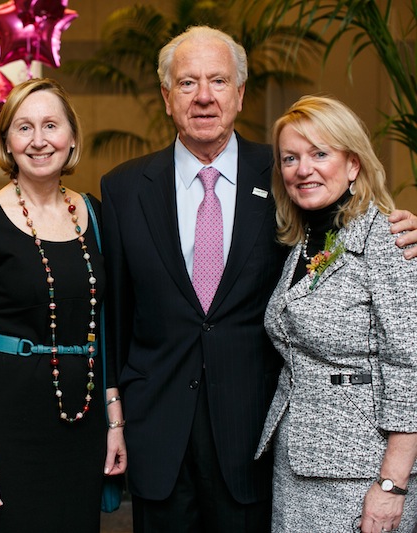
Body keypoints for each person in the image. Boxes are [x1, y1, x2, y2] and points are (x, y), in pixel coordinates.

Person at [101, 25, 417, 533]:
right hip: (157, 430)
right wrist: (115, 416)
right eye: (187, 83)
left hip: (256, 435)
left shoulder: (286, 173)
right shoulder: (121, 189)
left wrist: (402, 225)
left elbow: (352, 229)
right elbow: (114, 316)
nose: (204, 96)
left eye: (219, 81)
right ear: (166, 97)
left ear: (241, 94)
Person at [0, 77, 127, 533]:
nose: (39, 140)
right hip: (7, 429)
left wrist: (115, 422)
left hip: (82, 425)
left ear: (71, 139)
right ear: (7, 141)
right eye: (24, 127)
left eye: (51, 125)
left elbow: (107, 329)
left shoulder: (97, 214)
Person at [254, 95, 417, 533]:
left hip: (363, 473)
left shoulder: (388, 236)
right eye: (290, 158)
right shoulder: (306, 242)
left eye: (319, 153)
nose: (302, 169)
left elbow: (411, 367)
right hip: (297, 465)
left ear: (353, 164)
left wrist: (392, 484)